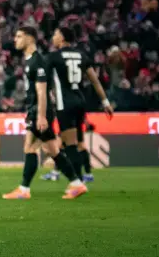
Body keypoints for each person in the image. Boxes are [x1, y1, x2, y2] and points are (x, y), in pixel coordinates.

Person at [2, 26, 87, 200]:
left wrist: (41, 116)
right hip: (36, 110)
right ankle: (77, 183)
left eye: (19, 36)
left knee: (31, 147)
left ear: (30, 38)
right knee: (52, 150)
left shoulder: (37, 61)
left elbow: (42, 91)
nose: (15, 40)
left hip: (40, 111)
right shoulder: (30, 60)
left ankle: (24, 189)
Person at [41, 26, 113, 183]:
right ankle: (81, 177)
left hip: (64, 103)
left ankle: (77, 182)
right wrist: (105, 102)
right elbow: (95, 80)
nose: (53, 37)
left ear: (62, 38)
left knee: (70, 145)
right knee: (78, 142)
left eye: (55, 34)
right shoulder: (81, 55)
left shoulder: (53, 57)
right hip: (80, 102)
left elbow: (43, 82)